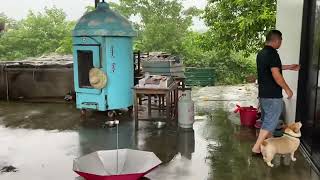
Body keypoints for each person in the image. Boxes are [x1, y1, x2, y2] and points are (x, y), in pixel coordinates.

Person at [252, 30, 300, 154]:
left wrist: (289, 67)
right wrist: (287, 89)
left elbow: (272, 67)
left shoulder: (261, 53)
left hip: (263, 94)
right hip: (273, 95)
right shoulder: (273, 54)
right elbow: (275, 73)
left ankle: (267, 144)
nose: (281, 43)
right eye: (281, 41)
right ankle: (257, 148)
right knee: (270, 122)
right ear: (277, 40)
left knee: (266, 120)